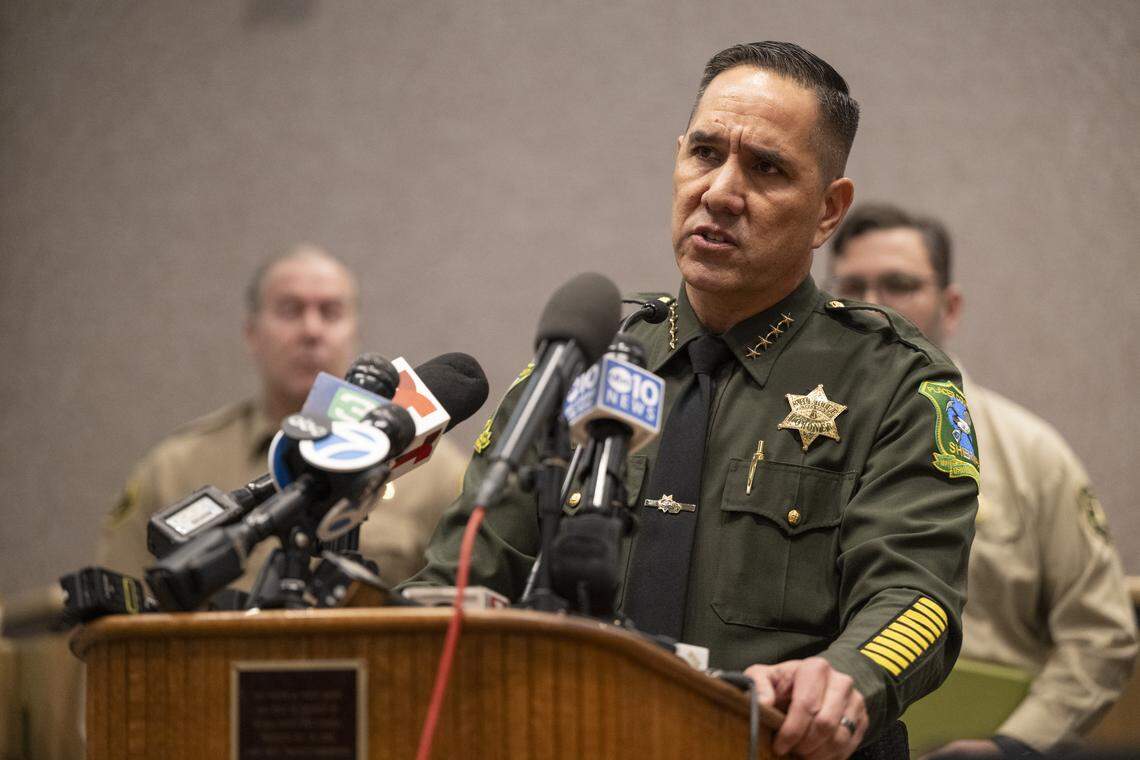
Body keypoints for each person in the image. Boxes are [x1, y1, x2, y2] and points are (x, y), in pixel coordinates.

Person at [406, 42, 979, 760]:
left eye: (766, 168)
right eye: (705, 154)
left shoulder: (892, 379)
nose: (720, 192)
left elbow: (918, 598)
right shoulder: (589, 353)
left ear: (829, 210)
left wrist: (845, 678)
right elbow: (462, 570)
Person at [9, 244, 468, 760]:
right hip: (204, 733)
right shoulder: (178, 467)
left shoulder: (437, 475)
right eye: (291, 310)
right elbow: (116, 629)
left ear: (354, 332)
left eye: (331, 312)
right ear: (253, 334)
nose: (312, 329)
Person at [828, 203, 1138, 756]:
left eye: (899, 285)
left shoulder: (1031, 454)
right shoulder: (785, 439)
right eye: (853, 285)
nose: (873, 304)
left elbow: (1101, 635)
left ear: (950, 305)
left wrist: (1014, 745)